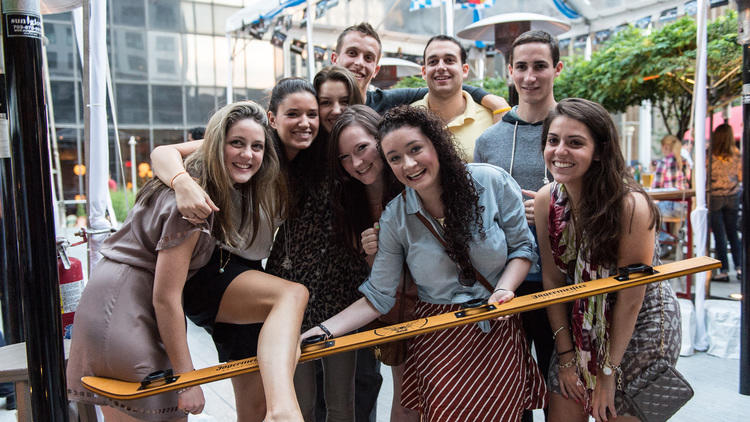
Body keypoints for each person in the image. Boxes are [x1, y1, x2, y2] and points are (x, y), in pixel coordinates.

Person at [67, 100, 308, 421]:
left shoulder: (192, 181)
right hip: (126, 309)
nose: (247, 154)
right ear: (215, 145)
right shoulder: (194, 200)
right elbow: (166, 298)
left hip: (113, 304)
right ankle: (284, 413)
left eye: (256, 147)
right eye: (236, 143)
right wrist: (186, 380)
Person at [304, 105, 546, 421]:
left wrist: (504, 289)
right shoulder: (395, 217)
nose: (409, 164)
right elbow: (378, 296)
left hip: (497, 332)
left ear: (435, 143)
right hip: (439, 341)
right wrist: (322, 330)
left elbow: (523, 248)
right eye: (394, 158)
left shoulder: (491, 181)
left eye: (415, 149)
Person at [151, 76, 368, 422]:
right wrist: (182, 184)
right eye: (293, 113)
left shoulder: (314, 162)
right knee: (292, 297)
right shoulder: (250, 144)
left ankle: (279, 410)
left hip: (248, 277)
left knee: (254, 407)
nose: (305, 122)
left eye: (312, 114)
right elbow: (163, 153)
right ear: (272, 118)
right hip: (218, 268)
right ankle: (285, 411)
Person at [534, 98, 680, 422]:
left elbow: (631, 298)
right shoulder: (547, 200)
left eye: (575, 143)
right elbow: (553, 281)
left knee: (613, 412)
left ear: (599, 151)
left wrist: (608, 372)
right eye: (553, 141)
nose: (560, 151)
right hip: (582, 320)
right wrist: (566, 356)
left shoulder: (630, 206)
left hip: (640, 324)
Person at [474, 30, 562, 420]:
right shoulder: (489, 140)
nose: (530, 77)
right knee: (510, 390)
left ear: (557, 69)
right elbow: (477, 210)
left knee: (562, 384)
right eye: (521, 67)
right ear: (509, 72)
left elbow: (605, 194)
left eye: (539, 66)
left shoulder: (576, 129)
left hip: (564, 279)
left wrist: (553, 209)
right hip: (504, 283)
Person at [327, 105, 417, 422]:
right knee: (407, 398)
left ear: (381, 140)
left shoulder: (414, 181)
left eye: (362, 148)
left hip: (438, 307)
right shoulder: (348, 200)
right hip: (394, 310)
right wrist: (373, 256)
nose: (356, 163)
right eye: (344, 158)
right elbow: (379, 277)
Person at [331, 22, 510, 117]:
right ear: (334, 59)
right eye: (352, 53)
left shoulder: (386, 102)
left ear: (376, 69)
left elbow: (443, 87)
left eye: (368, 58)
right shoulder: (313, 102)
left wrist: (495, 103)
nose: (360, 63)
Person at [411, 35, 493, 161]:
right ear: (424, 72)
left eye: (449, 60)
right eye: (433, 62)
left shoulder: (491, 119)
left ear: (465, 70)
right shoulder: (407, 118)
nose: (441, 67)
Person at [709, 123, 742, 281]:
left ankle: (723, 271)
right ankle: (739, 267)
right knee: (733, 234)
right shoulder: (737, 154)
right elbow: (741, 176)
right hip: (733, 196)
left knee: (719, 236)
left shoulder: (710, 155)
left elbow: (703, 176)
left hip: (715, 197)